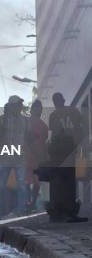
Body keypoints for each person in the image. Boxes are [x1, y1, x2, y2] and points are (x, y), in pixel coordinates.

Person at [46, 92, 87, 223]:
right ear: (63, 100)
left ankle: (56, 212)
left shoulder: (53, 115)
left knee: (57, 182)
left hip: (57, 154)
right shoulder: (74, 111)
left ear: (54, 103)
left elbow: (54, 134)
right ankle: (69, 212)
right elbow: (80, 128)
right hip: (69, 151)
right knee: (70, 182)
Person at [0, 95, 29, 218]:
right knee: (0, 185)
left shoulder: (25, 120)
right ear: (12, 106)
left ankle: (21, 210)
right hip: (5, 156)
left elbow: (28, 138)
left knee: (21, 184)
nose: (19, 107)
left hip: (19, 156)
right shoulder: (2, 120)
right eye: (17, 104)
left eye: (20, 104)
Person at [26, 100, 48, 212]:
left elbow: (44, 141)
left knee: (34, 182)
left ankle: (31, 203)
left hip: (36, 158)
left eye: (41, 108)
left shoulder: (43, 126)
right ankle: (29, 203)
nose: (40, 110)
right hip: (30, 156)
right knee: (30, 181)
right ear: (33, 110)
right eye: (38, 108)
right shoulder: (27, 122)